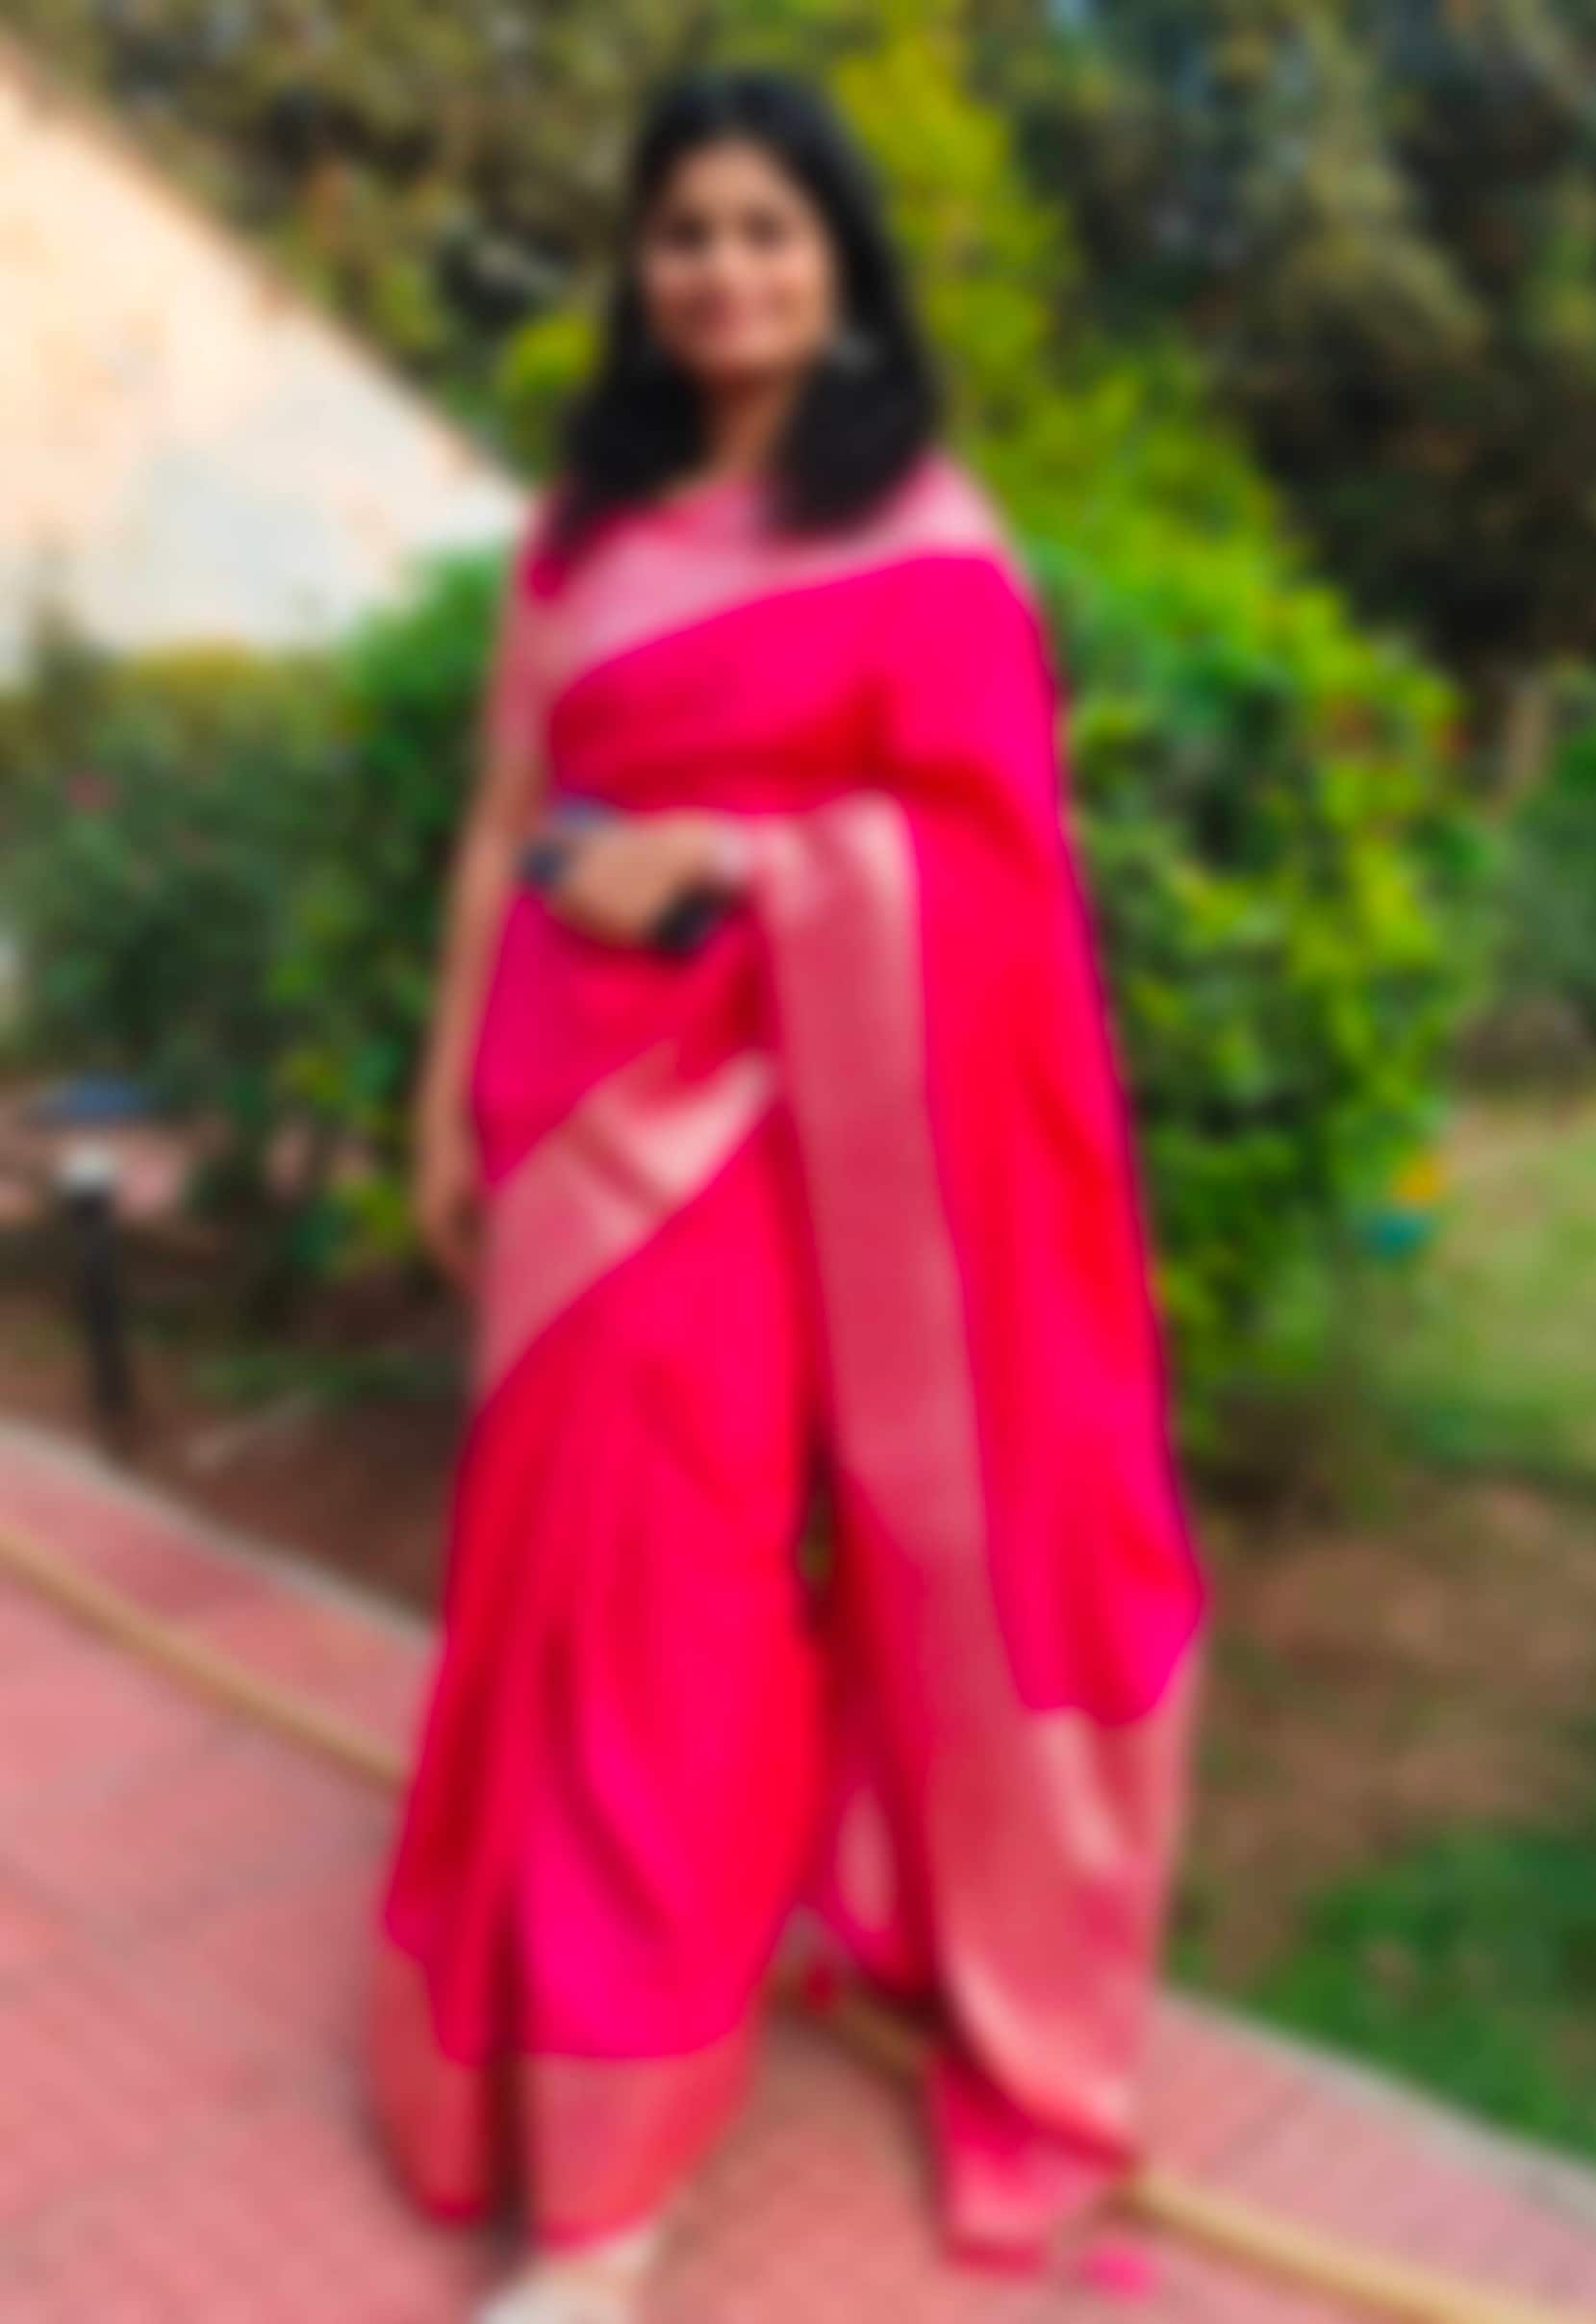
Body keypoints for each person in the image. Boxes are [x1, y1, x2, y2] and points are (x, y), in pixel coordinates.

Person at [367, 63, 1208, 2324]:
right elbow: (499, 828)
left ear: (839, 267)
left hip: (779, 1136)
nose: (723, 270)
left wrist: (740, 860)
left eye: (766, 229)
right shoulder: (580, 537)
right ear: (640, 270)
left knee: (667, 1597)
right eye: (685, 233)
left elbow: (996, 881)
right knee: (548, 1590)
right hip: (562, 1109)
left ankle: (605, 2199)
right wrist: (442, 1102)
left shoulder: (924, 538)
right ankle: (550, 2040)